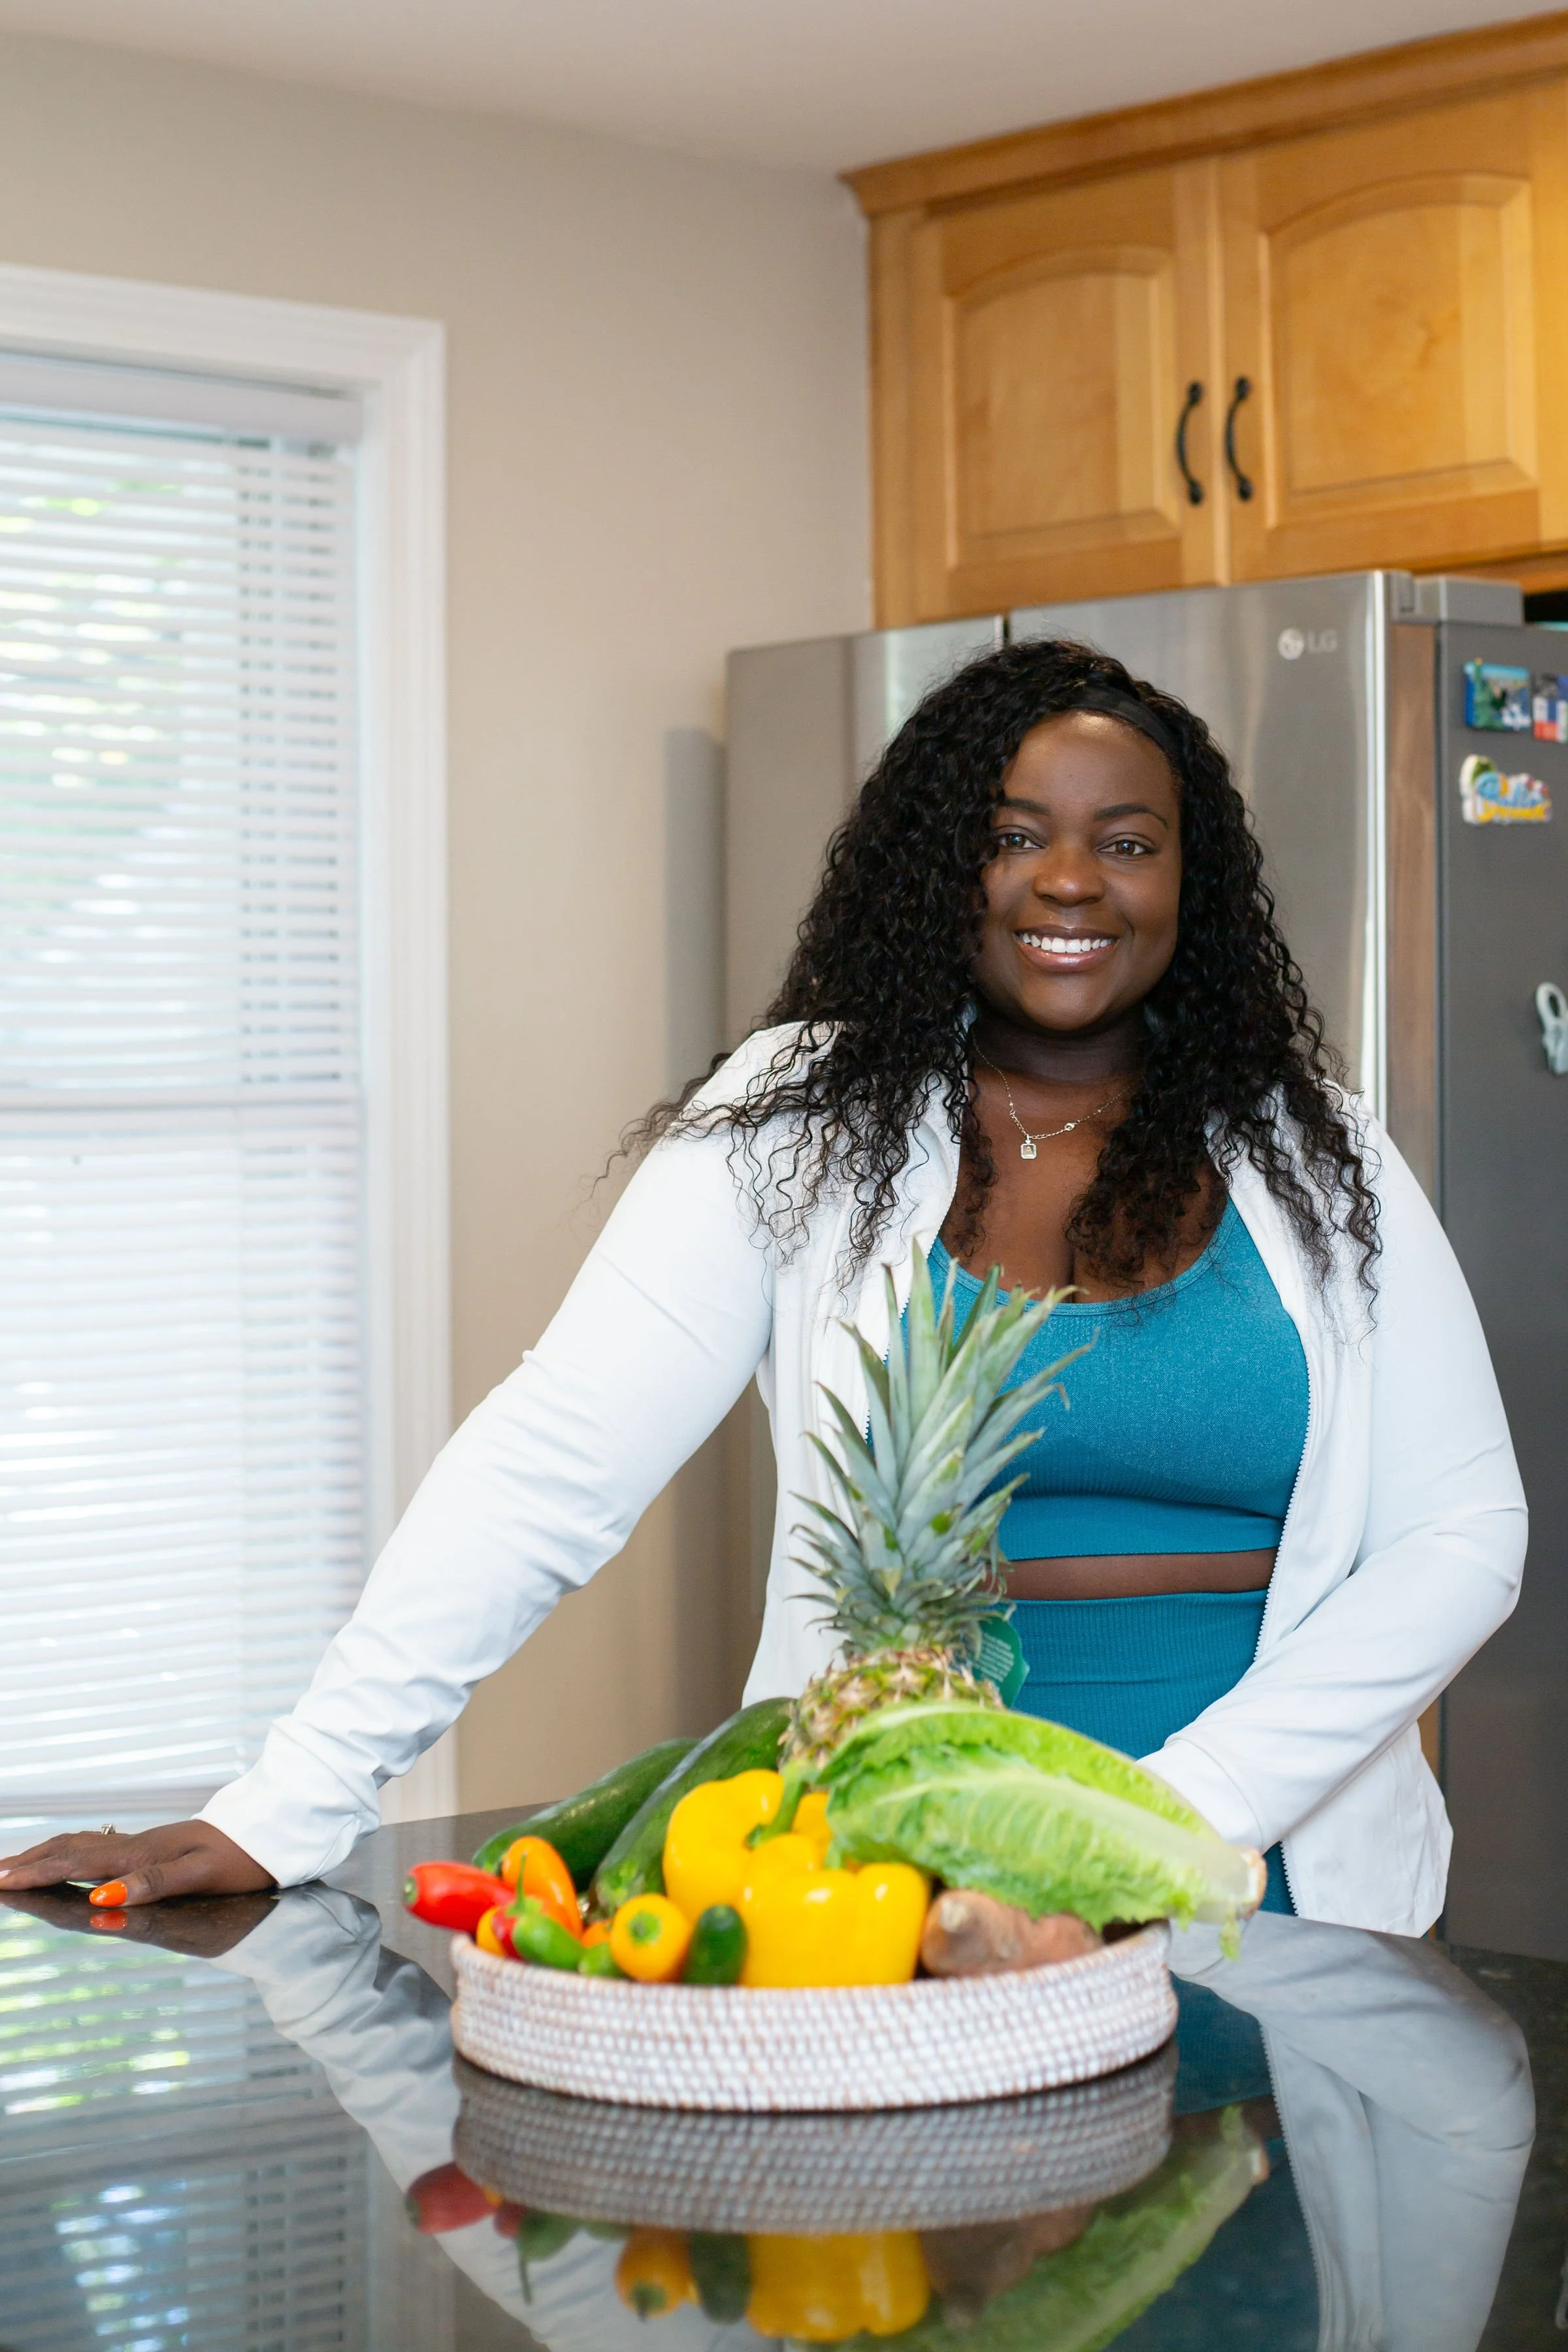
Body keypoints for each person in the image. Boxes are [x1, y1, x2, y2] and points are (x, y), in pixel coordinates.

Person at [0, 639, 1526, 1933]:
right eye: (1014, 835)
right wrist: (288, 1801)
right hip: (882, 1872)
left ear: (1192, 881)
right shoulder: (805, 1118)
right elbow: (555, 1459)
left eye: (1128, 841)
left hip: (1273, 1873)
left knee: (1272, 2285)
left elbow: (1467, 1530)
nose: (1072, 879)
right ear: (943, 864)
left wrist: (1160, 1821)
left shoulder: (1315, 1145)